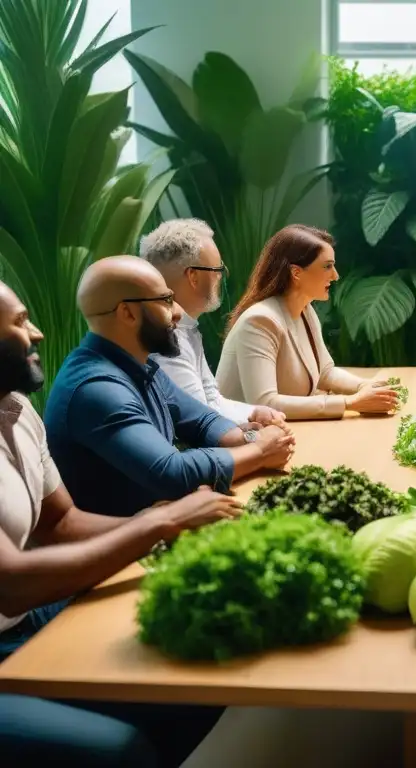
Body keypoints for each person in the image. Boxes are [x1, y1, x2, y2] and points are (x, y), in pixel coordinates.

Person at [0, 279, 238, 766]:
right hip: (14, 618)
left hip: (23, 619)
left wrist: (170, 523)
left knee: (207, 662)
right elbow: (10, 585)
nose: (39, 333)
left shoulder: (18, 409)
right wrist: (158, 524)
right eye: (21, 322)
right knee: (120, 752)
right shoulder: (94, 384)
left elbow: (62, 523)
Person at [43, 256, 295, 518]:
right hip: (122, 549)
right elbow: (172, 472)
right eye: (165, 301)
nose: (177, 312)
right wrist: (260, 451)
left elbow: (201, 420)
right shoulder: (97, 388)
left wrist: (248, 437)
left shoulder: (140, 364)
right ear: (127, 313)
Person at [217, 225, 400, 419]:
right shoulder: (259, 321)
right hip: (243, 437)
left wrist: (364, 386)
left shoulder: (305, 309)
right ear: (296, 273)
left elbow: (325, 372)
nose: (335, 275)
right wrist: (350, 403)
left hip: (281, 431)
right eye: (327, 266)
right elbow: (265, 403)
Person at [140, 218, 286, 427]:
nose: (221, 278)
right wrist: (252, 432)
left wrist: (256, 412)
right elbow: (198, 420)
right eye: (218, 270)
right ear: (194, 277)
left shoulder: (187, 329)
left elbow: (212, 399)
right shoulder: (165, 339)